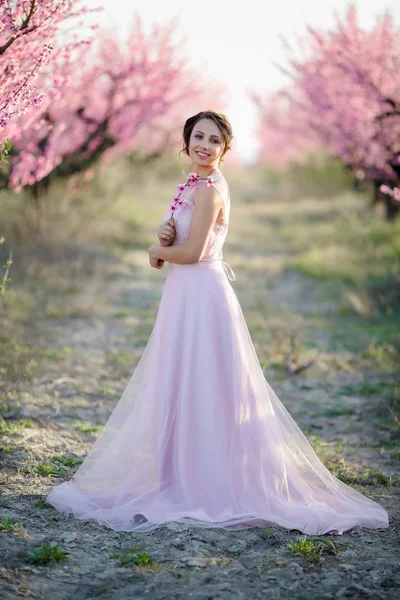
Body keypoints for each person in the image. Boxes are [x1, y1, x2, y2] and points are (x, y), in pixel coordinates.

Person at [46, 110, 389, 536]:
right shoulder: (192, 185)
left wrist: (156, 250)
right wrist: (166, 239)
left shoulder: (209, 189)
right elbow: (183, 246)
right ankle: (176, 474)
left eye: (214, 140)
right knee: (181, 378)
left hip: (202, 294)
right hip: (184, 294)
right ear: (186, 141)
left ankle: (205, 480)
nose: (204, 145)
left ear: (225, 149)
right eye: (198, 136)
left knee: (206, 381)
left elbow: (194, 254)